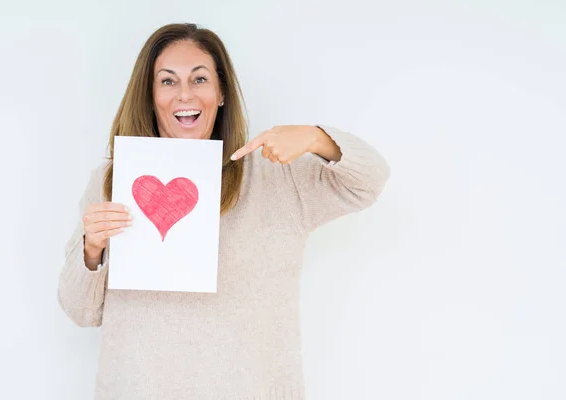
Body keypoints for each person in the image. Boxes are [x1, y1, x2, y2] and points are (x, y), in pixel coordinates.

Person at [58, 22, 390, 399]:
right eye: (167, 81)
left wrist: (317, 137)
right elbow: (80, 312)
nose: (185, 93)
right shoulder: (113, 180)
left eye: (199, 79)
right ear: (150, 96)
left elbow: (369, 181)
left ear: (221, 94)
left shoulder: (276, 175)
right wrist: (92, 249)